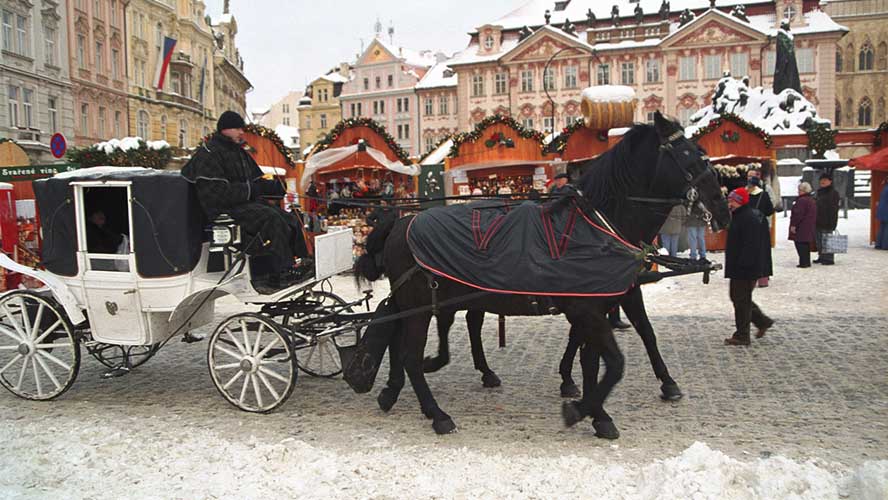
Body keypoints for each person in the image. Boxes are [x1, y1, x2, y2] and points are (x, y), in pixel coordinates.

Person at [181, 110, 310, 289]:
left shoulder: (238, 152)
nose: (242, 132)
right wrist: (252, 189)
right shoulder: (209, 154)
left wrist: (274, 188)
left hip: (244, 204)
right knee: (270, 218)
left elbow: (256, 181)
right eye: (237, 128)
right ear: (225, 129)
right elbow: (217, 194)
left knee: (288, 217)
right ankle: (279, 272)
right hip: (223, 211)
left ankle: (301, 261)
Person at [724, 187, 774, 346]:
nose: (729, 203)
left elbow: (751, 245)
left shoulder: (748, 218)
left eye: (732, 200)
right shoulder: (739, 216)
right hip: (739, 266)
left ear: (739, 201)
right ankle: (762, 321)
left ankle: (742, 335)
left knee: (741, 300)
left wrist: (743, 265)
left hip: (745, 268)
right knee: (739, 298)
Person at [747, 176, 775, 286]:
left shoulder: (745, 195)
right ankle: (763, 278)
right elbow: (770, 210)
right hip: (761, 226)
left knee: (749, 251)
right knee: (763, 251)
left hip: (748, 226)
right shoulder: (764, 195)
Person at [814, 173, 841, 265]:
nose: (823, 181)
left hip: (828, 219)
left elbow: (833, 209)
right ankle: (821, 256)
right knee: (819, 239)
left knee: (827, 239)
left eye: (825, 180)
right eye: (821, 180)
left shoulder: (833, 193)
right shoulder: (819, 192)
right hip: (818, 219)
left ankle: (829, 258)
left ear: (830, 181)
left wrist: (833, 222)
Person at [789, 182, 816, 268]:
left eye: (799, 190)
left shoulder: (801, 200)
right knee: (806, 244)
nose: (798, 191)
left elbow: (797, 214)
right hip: (809, 225)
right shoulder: (811, 200)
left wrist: (793, 225)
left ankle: (803, 262)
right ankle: (806, 261)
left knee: (800, 244)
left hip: (801, 226)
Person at [877, 182, 888, 250]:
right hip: (886, 211)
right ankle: (885, 245)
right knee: (887, 228)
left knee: (882, 228)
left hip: (882, 210)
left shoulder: (885, 188)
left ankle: (878, 244)